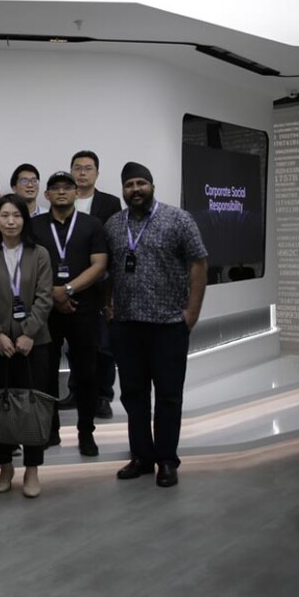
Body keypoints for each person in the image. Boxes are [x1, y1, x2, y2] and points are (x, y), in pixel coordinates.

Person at [105, 162, 207, 488]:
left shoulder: (178, 219)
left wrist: (192, 312)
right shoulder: (113, 225)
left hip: (168, 325)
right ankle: (141, 457)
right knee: (133, 396)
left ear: (151, 185)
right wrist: (109, 306)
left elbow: (199, 262)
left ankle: (166, 460)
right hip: (126, 325)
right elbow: (108, 270)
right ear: (123, 190)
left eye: (141, 183)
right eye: (129, 185)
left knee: (168, 396)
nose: (135, 189)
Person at [0, 194, 53, 498]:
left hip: (35, 343)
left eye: (16, 216)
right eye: (5, 215)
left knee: (33, 407)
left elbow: (45, 297)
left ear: (25, 219)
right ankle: (5, 466)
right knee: (1, 406)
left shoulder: (40, 253)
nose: (10, 222)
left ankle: (32, 469)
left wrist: (29, 333)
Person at [30, 172, 108, 456]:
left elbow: (99, 265)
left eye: (67, 187)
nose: (61, 192)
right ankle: (50, 431)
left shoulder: (92, 224)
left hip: (83, 307)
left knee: (87, 373)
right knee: (45, 372)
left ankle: (86, 432)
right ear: (47, 195)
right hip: (45, 309)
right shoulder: (34, 225)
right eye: (55, 188)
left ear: (77, 193)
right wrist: (53, 293)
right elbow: (27, 265)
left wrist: (68, 289)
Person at [61, 149, 122, 418]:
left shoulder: (109, 203)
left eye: (88, 168)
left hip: (100, 284)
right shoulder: (64, 200)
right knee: (74, 344)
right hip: (68, 283)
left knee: (103, 345)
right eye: (77, 168)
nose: (82, 172)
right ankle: (77, 391)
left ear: (97, 173)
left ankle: (103, 396)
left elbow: (115, 244)